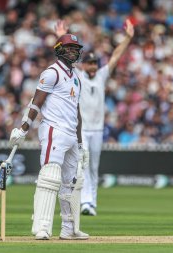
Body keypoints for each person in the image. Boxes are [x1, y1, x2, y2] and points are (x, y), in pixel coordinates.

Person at [9, 33, 89, 240]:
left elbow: (76, 112)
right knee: (50, 177)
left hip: (71, 134)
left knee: (71, 182)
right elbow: (36, 102)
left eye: (76, 48)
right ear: (59, 48)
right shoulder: (52, 72)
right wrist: (23, 128)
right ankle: (42, 227)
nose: (74, 51)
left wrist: (80, 144)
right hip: (54, 129)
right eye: (70, 47)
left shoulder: (76, 77)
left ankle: (68, 229)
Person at [55, 19, 134, 216]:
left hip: (97, 130)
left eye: (94, 63)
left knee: (93, 167)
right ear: (84, 65)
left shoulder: (101, 76)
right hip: (82, 129)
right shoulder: (78, 76)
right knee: (83, 164)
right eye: (89, 63)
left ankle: (92, 204)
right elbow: (64, 56)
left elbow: (115, 56)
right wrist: (61, 36)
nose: (92, 66)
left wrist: (128, 38)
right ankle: (86, 202)